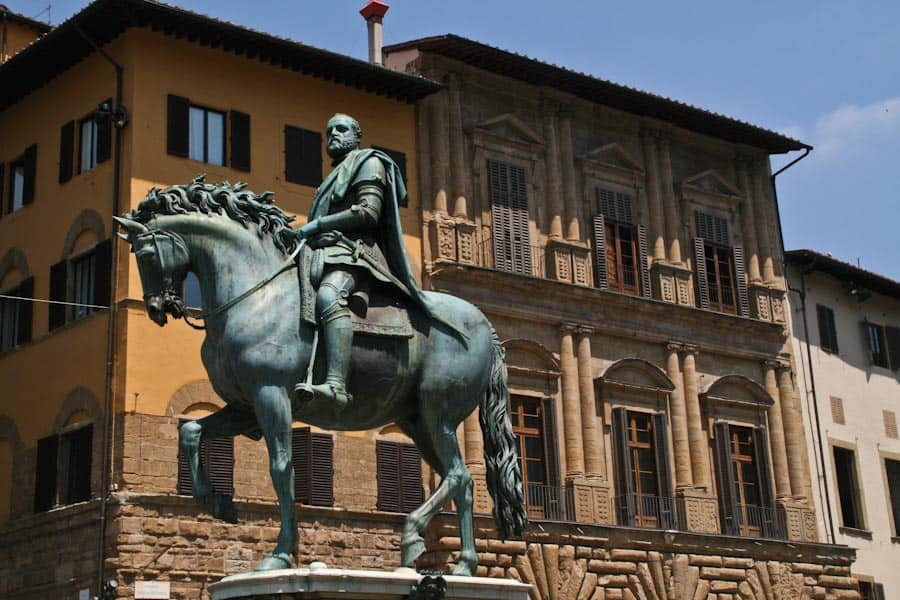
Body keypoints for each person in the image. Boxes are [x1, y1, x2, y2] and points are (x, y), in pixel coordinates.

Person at [294, 114, 460, 410]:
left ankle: (336, 384)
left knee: (330, 296)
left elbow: (367, 213)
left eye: (341, 129)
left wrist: (316, 225)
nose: (334, 134)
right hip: (326, 252)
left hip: (356, 255)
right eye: (329, 130)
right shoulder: (333, 176)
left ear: (357, 136)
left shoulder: (369, 163)